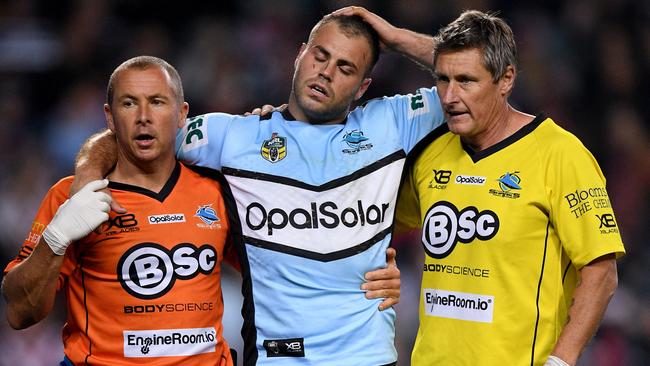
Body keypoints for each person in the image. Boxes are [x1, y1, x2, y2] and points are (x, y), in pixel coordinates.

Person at [72, 13, 446, 366]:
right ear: (301, 55)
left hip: (367, 358)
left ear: (363, 86)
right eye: (320, 56)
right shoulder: (233, 136)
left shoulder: (392, 123)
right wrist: (88, 169)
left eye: (345, 68)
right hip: (276, 357)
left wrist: (396, 39)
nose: (326, 72)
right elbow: (137, 133)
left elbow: (473, 75)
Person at [385, 10, 625, 366]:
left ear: (506, 79)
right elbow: (379, 227)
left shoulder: (559, 153)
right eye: (442, 79)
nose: (449, 96)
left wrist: (561, 361)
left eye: (466, 80)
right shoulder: (432, 152)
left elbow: (601, 272)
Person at [2, 56, 237, 365]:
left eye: (157, 102)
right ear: (110, 118)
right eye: (129, 104)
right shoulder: (74, 195)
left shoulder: (217, 191)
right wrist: (56, 237)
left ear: (182, 115)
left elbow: (271, 275)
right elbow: (20, 313)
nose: (143, 116)